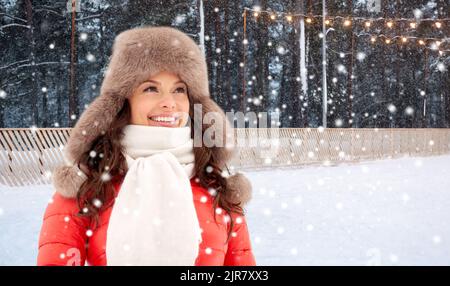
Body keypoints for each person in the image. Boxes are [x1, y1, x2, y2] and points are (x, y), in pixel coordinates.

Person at [37, 26, 255, 266]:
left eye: (179, 90)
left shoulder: (218, 186)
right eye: (151, 89)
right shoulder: (86, 187)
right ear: (123, 102)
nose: (169, 103)